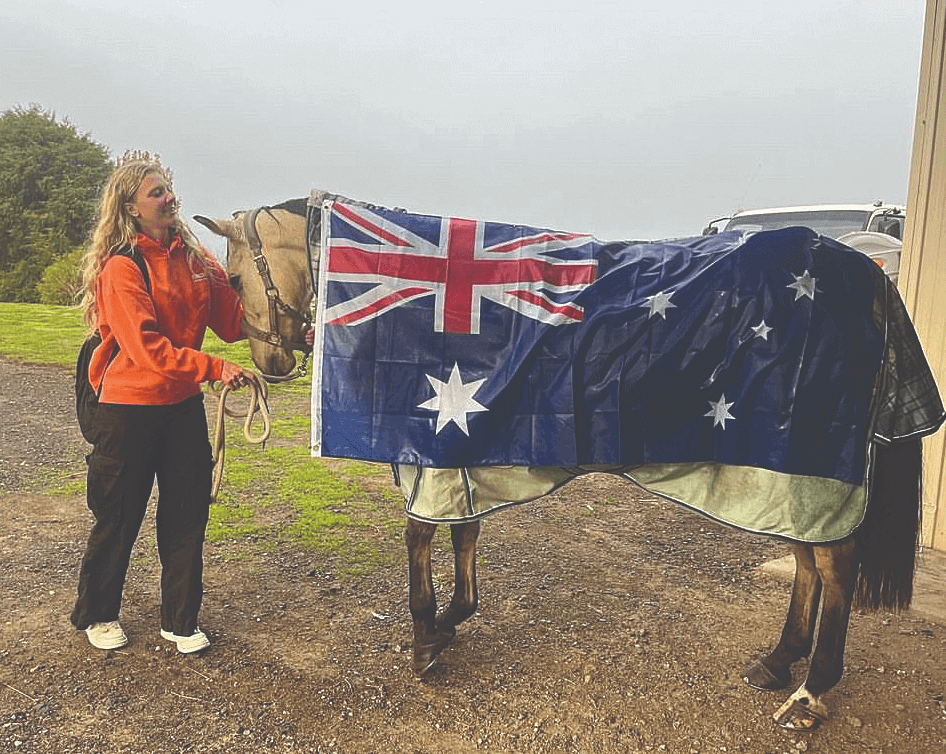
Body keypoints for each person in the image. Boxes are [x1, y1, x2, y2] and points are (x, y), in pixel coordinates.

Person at [70, 153, 258, 654]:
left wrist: (291, 330)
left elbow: (233, 323)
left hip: (180, 408)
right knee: (119, 515)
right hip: (127, 408)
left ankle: (179, 620)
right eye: (157, 192)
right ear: (131, 208)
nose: (170, 198)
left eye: (169, 189)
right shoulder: (121, 267)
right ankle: (99, 613)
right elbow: (144, 348)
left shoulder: (198, 261)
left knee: (187, 513)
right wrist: (215, 368)